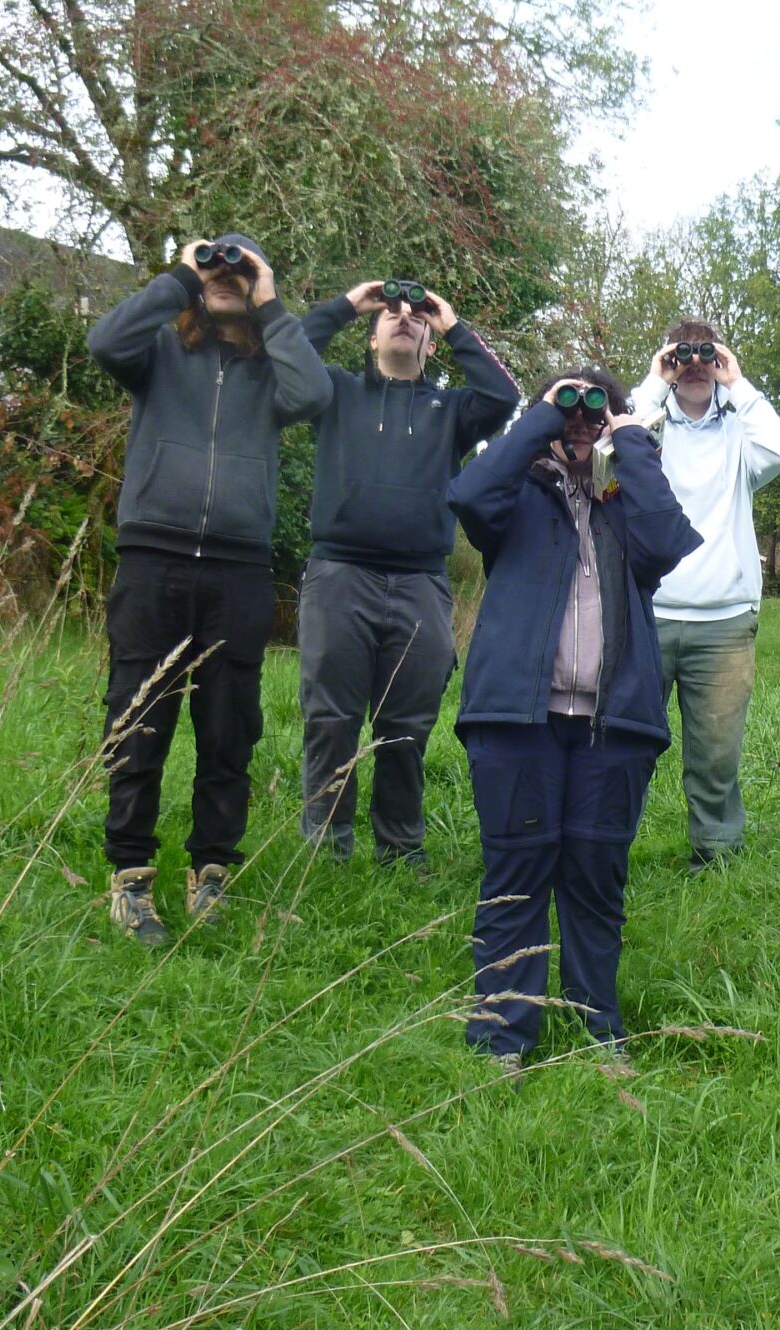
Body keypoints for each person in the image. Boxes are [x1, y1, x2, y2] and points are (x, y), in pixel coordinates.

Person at [447, 369, 700, 1074]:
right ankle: (502, 1037)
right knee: (516, 874)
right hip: (516, 718)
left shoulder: (628, 506)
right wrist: (543, 415)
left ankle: (597, 1031)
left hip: (613, 724)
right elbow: (466, 492)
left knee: (595, 878)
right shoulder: (515, 498)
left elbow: (669, 541)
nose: (582, 421)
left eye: (596, 412)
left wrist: (634, 442)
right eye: (571, 409)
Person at [87, 233, 332, 947]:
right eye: (216, 268)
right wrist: (180, 276)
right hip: (152, 559)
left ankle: (212, 871)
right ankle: (131, 877)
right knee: (137, 720)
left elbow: (314, 393)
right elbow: (105, 341)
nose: (226, 277)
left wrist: (270, 296)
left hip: (238, 568)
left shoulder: (271, 371)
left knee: (230, 727)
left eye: (239, 270)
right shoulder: (160, 351)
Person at [295, 276, 520, 866]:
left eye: (416, 318)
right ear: (371, 340)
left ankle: (400, 847)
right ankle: (326, 848)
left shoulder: (452, 410)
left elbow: (503, 397)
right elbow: (285, 354)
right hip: (339, 574)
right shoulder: (336, 392)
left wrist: (451, 323)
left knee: (405, 724)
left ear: (430, 343)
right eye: (391, 314)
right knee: (331, 718)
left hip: (420, 582)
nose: (404, 317)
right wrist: (346, 305)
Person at [632, 320, 780, 868]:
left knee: (716, 754)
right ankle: (608, 842)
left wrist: (740, 385)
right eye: (684, 356)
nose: (696, 364)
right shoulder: (651, 429)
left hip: (724, 622)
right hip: (647, 613)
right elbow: (614, 444)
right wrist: (654, 383)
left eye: (707, 356)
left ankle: (717, 854)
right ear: (669, 363)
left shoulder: (740, 438)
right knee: (626, 745)